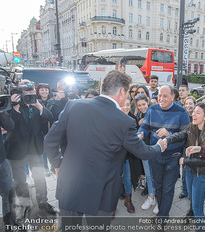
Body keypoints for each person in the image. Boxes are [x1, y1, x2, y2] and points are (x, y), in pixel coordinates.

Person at [44, 70, 166, 231]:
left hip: (70, 185)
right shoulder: (125, 121)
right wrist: (160, 146)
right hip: (101, 192)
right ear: (122, 92)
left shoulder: (73, 105)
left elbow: (49, 141)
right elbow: (143, 152)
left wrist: (58, 165)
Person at [164, 102, 205, 230]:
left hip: (201, 174)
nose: (193, 114)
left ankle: (199, 228)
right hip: (189, 171)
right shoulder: (192, 128)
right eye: (194, 111)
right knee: (192, 201)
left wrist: (185, 161)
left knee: (197, 206)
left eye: (198, 112)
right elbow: (180, 135)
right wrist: (167, 140)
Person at [138, 85, 190, 220]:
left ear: (172, 97)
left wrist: (170, 134)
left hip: (173, 157)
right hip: (155, 155)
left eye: (165, 95)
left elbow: (186, 134)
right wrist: (139, 135)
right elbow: (144, 127)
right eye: (160, 95)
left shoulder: (181, 112)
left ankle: (162, 218)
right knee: (159, 187)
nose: (161, 98)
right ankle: (162, 212)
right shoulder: (151, 109)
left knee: (167, 189)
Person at [6, 83, 55, 215]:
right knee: (20, 181)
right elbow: (9, 125)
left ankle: (43, 202)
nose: (29, 97)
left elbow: (49, 117)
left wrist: (39, 106)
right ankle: (25, 205)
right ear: (20, 95)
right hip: (16, 150)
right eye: (26, 94)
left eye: (31, 94)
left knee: (39, 177)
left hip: (35, 149)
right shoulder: (12, 106)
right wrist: (14, 108)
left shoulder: (37, 105)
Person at [135, 94, 157, 211]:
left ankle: (159, 199)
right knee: (148, 174)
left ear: (148, 102)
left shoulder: (154, 113)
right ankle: (151, 196)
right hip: (144, 149)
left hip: (155, 149)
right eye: (139, 105)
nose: (142, 107)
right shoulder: (138, 115)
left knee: (157, 175)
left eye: (144, 104)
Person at [0, 111, 15, 226]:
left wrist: (2, 112)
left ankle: (11, 224)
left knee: (9, 193)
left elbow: (10, 126)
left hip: (1, 161)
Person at [36, 83, 54, 176]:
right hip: (40, 130)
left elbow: (51, 115)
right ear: (38, 91)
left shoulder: (53, 101)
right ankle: (45, 167)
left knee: (51, 149)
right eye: (42, 89)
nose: (44, 91)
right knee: (43, 150)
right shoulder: (35, 102)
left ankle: (53, 165)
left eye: (46, 89)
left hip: (51, 129)